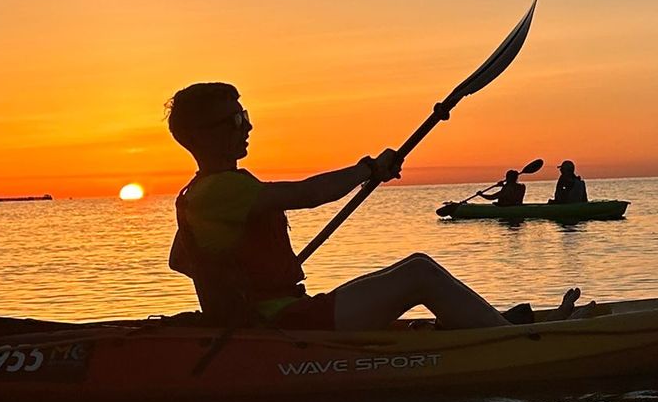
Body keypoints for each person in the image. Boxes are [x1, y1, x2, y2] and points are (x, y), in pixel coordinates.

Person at [165, 82, 574, 331]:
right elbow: (307, 194)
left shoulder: (201, 195)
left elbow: (179, 260)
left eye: (246, 116)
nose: (248, 126)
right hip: (283, 322)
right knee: (419, 273)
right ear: (201, 136)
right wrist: (368, 169)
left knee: (414, 267)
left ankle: (490, 324)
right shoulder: (218, 190)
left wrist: (243, 275)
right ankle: (506, 339)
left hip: (284, 311)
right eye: (236, 120)